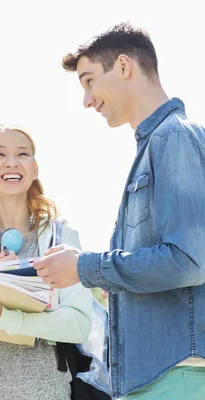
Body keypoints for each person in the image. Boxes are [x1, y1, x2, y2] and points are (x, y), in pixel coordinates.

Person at [33, 22, 205, 399]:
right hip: (156, 377)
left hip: (175, 376)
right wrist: (119, 283)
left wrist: (85, 267)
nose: (87, 100)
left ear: (124, 66)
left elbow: (189, 261)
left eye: (90, 81)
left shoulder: (173, 137)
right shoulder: (155, 145)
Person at [0, 125, 93, 399]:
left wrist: (2, 317)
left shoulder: (61, 237)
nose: (12, 162)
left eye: (22, 154)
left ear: (34, 169)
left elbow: (78, 325)